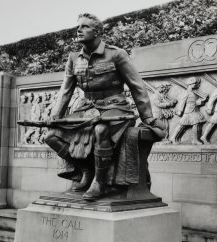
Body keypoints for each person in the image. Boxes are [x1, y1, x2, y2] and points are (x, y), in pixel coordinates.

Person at [43, 13, 164, 200]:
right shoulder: (74, 58)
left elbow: (136, 86)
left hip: (115, 107)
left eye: (85, 26)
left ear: (97, 31)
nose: (79, 29)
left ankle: (99, 182)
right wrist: (55, 115)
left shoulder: (116, 54)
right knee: (51, 135)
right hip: (86, 109)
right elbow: (65, 91)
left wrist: (148, 117)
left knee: (101, 130)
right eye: (78, 26)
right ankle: (86, 170)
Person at [170, 77, 207, 145]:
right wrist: (180, 111)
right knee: (182, 125)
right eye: (194, 83)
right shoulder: (186, 93)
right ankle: (173, 137)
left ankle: (195, 140)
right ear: (190, 84)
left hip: (194, 111)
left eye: (195, 83)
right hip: (188, 112)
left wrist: (201, 101)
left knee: (196, 124)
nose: (195, 85)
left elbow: (194, 103)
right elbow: (182, 103)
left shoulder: (193, 92)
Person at [200, 74, 217, 144]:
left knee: (212, 123)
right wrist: (209, 108)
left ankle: (204, 136)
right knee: (212, 123)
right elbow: (211, 100)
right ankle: (204, 136)